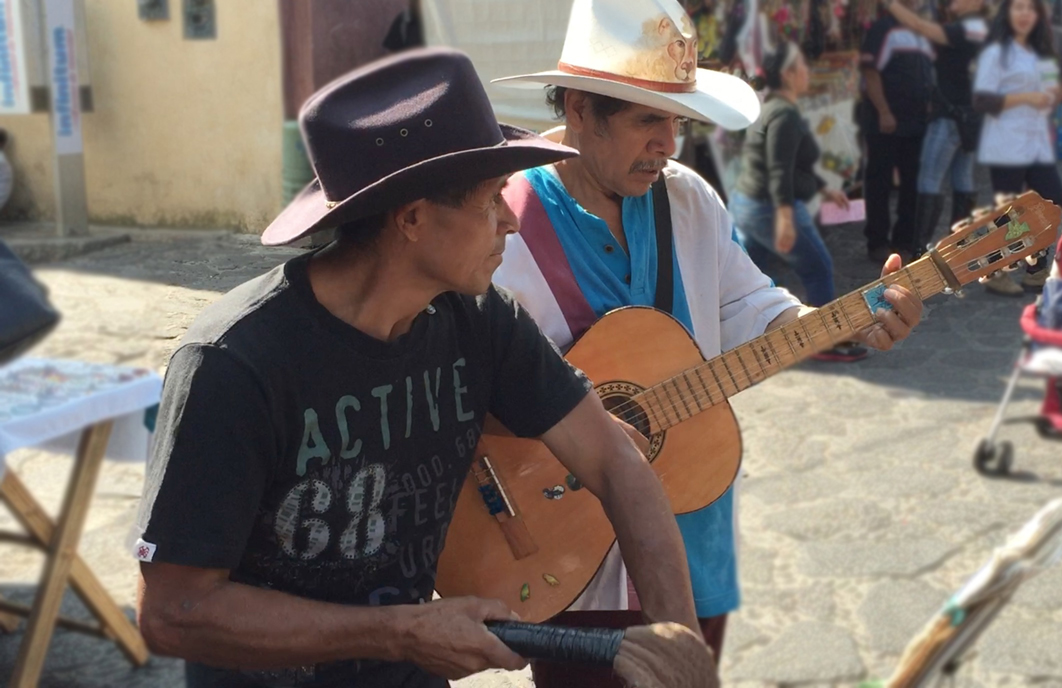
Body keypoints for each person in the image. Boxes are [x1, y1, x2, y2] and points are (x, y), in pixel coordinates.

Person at [131, 48, 704, 688]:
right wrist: (400, 631)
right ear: (411, 218)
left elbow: (615, 461)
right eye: (492, 200)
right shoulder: (234, 365)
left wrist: (676, 639)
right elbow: (174, 613)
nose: (511, 222)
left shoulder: (480, 319)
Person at [492, 1, 924, 685]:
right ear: (578, 109)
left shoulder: (688, 199)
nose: (670, 142)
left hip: (693, 535)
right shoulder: (502, 220)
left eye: (677, 121)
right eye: (647, 119)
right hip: (570, 549)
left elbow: (751, 303)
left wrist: (848, 323)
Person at [730, 40, 868, 363]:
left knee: (751, 276)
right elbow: (779, 170)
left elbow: (790, 164)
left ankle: (744, 341)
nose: (808, 71)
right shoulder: (784, 115)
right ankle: (820, 340)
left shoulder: (773, 108)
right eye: (802, 66)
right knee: (818, 268)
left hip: (750, 204)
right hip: (768, 207)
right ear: (790, 75)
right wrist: (785, 218)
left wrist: (823, 188)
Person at [972, 0, 1062, 296]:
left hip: (1036, 140)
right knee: (1007, 212)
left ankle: (1035, 267)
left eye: (1030, 9)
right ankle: (993, 270)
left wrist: (1052, 94)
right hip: (1005, 142)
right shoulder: (996, 54)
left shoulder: (1042, 53)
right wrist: (1024, 98)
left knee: (1052, 200)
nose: (1024, 14)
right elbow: (982, 101)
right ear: (1007, 14)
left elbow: (1049, 90)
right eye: (1017, 8)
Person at [883, 0, 987, 259]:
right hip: (968, 116)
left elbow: (919, 25)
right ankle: (961, 249)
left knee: (929, 180)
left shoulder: (969, 27)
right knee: (962, 180)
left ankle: (919, 250)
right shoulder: (979, 27)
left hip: (952, 117)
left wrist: (889, 4)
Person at [857, 0, 935, 263]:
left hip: (916, 124)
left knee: (912, 184)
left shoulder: (922, 32)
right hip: (885, 122)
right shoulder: (883, 28)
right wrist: (883, 111)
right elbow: (871, 73)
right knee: (879, 183)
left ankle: (904, 240)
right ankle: (877, 241)